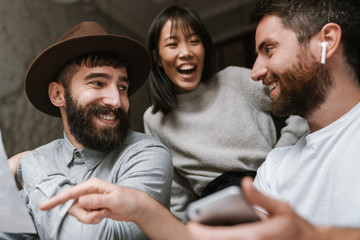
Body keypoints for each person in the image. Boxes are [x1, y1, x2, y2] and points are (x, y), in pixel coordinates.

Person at [40, 0, 360, 239]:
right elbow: (180, 198)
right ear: (158, 59)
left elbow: (301, 115)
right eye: (172, 44)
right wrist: (140, 206)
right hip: (218, 201)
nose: (256, 70)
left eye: (269, 50)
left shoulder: (241, 92)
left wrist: (282, 152)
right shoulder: (278, 168)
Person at [2, 21, 173, 240]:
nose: (116, 102)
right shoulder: (41, 161)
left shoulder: (148, 155)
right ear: (57, 95)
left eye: (122, 87)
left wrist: (27, 163)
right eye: (98, 83)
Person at [143, 5, 309, 222]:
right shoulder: (154, 119)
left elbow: (301, 102)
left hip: (273, 190)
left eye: (194, 41)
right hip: (216, 214)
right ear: (157, 58)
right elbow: (177, 191)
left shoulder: (234, 80)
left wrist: (278, 160)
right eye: (173, 44)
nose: (186, 52)